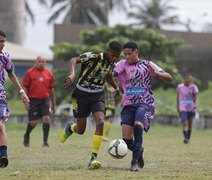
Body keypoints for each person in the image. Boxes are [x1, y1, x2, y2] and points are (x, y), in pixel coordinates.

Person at [59, 41, 122, 170]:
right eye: (112, 55)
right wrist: (72, 74)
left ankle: (93, 159)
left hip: (97, 95)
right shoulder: (96, 56)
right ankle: (71, 128)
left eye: (117, 56)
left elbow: (108, 76)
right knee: (81, 130)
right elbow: (74, 59)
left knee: (100, 122)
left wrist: (116, 88)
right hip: (80, 95)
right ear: (107, 51)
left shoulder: (112, 63)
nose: (114, 58)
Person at [113, 42, 172, 171]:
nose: (127, 56)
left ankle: (134, 163)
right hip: (128, 104)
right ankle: (139, 150)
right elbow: (112, 74)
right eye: (125, 54)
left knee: (138, 127)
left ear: (136, 52)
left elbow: (169, 77)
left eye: (129, 53)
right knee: (127, 141)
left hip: (145, 103)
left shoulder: (147, 64)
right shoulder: (122, 64)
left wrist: (156, 73)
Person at [0, 30, 30, 167]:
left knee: (0, 126)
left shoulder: (5, 57)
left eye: (4, 42)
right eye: (0, 41)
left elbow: (11, 74)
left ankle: (3, 156)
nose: (3, 44)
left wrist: (21, 91)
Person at [22, 56, 56, 147]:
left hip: (45, 100)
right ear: (36, 62)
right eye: (39, 61)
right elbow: (24, 87)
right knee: (34, 122)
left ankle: (45, 142)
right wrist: (25, 101)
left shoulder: (49, 73)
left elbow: (52, 90)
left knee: (46, 119)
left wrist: (53, 104)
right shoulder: (29, 72)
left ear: (45, 63)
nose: (41, 63)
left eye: (43, 61)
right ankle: (27, 135)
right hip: (33, 100)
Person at [176, 73, 199, 144]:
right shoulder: (180, 87)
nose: (187, 80)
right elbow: (177, 97)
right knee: (184, 123)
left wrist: (196, 104)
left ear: (190, 79)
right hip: (183, 108)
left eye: (188, 79)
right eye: (186, 78)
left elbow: (197, 97)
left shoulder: (194, 87)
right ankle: (185, 138)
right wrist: (178, 106)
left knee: (190, 124)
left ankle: (188, 138)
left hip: (191, 108)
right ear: (184, 79)